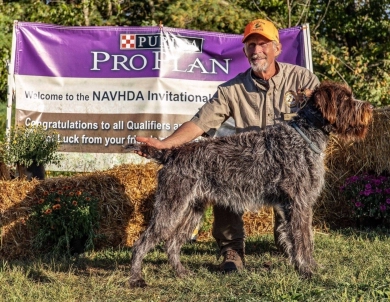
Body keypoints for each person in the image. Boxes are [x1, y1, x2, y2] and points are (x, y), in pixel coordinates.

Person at [134, 18, 320, 273]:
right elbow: (200, 123)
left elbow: (327, 115)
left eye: (263, 44)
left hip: (288, 168)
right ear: (245, 51)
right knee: (223, 181)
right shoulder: (232, 89)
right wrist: (164, 145)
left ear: (277, 48)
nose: (256, 50)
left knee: (295, 201)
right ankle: (231, 250)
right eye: (251, 45)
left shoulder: (302, 79)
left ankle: (291, 248)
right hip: (247, 162)